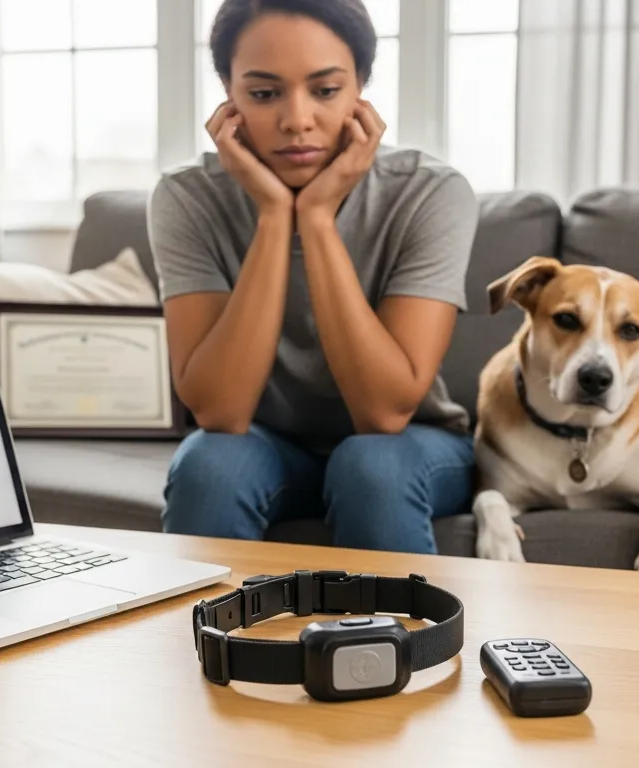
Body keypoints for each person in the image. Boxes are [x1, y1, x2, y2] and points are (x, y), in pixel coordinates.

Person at [150, 0, 479, 554]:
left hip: (408, 443)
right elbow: (220, 411)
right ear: (228, 96)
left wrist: (319, 219)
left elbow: (384, 411)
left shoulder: (430, 192)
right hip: (264, 444)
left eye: (325, 91)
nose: (296, 120)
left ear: (361, 89)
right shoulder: (187, 198)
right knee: (211, 465)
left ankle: (397, 645)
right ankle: (213, 644)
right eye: (263, 93)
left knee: (369, 467)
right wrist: (276, 217)